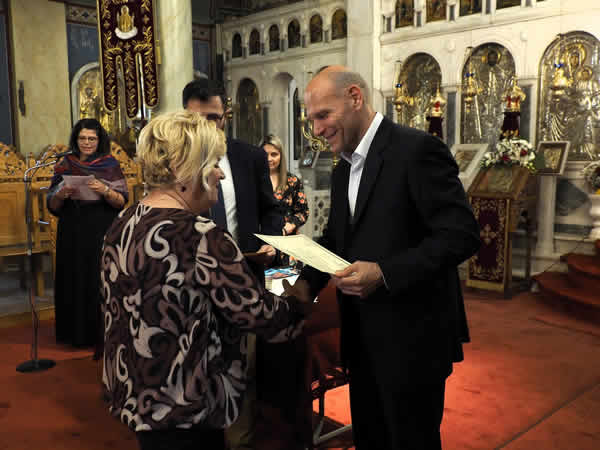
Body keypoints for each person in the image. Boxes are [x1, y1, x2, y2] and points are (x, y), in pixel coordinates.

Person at [284, 66, 480, 450]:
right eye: (312, 120)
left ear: (355, 98)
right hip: (362, 337)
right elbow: (337, 240)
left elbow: (461, 235)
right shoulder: (343, 169)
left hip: (413, 337)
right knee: (371, 439)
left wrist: (384, 272)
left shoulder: (417, 150)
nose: (317, 129)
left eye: (323, 115)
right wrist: (300, 283)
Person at [100, 111, 308, 450]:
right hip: (187, 404)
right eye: (212, 163)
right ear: (183, 170)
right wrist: (298, 298)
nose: (220, 173)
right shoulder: (200, 234)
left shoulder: (123, 221)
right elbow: (257, 315)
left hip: (137, 393)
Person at [182, 78, 283, 450]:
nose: (209, 126)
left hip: (245, 276)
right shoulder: (177, 159)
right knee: (199, 366)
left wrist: (271, 241)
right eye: (199, 119)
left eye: (215, 117)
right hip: (192, 284)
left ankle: (240, 439)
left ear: (225, 115)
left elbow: (271, 210)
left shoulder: (248, 157)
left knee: (243, 365)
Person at [46, 118, 127, 358]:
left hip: (100, 228)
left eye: (92, 138)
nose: (87, 142)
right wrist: (61, 193)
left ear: (100, 140)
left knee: (96, 278)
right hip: (71, 229)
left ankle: (99, 333)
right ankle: (74, 333)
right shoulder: (65, 163)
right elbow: (52, 204)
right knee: (73, 276)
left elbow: (121, 201)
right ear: (76, 139)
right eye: (82, 138)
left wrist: (105, 190)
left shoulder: (110, 164)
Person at [259, 134, 309, 264]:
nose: (269, 159)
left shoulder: (292, 181)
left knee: (288, 277)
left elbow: (303, 212)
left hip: (288, 244)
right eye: (265, 154)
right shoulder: (254, 180)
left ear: (281, 156)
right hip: (263, 245)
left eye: (274, 154)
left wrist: (288, 227)